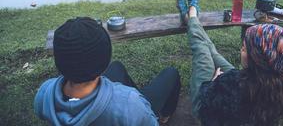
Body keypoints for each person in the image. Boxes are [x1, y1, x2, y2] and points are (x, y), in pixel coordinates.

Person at [176, 0, 283, 126]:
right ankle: (191, 18)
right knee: (212, 51)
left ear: (256, 61)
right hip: (244, 89)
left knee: (202, 51)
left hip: (205, 112)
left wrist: (215, 81)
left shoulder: (230, 84)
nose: (241, 49)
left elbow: (207, 98)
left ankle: (191, 14)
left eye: (245, 48)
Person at [34, 17, 181, 126]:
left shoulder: (44, 92)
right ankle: (164, 117)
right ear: (104, 59)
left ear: (59, 62)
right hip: (134, 111)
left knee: (117, 68)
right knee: (171, 73)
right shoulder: (130, 104)